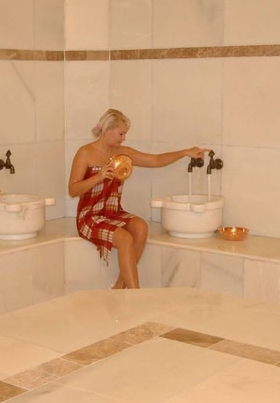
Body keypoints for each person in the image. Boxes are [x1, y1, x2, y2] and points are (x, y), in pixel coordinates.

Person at [68, 109, 207, 290]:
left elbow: (156, 160)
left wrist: (185, 152)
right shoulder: (85, 153)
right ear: (107, 130)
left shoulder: (123, 153)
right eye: (121, 134)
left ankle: (120, 287)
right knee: (125, 239)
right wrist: (98, 177)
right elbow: (73, 190)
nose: (124, 138)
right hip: (89, 217)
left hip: (113, 213)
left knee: (141, 228)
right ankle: (136, 295)